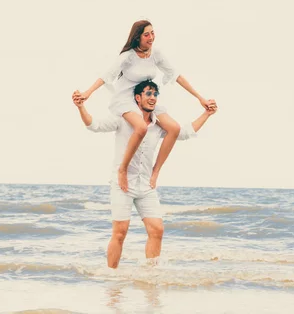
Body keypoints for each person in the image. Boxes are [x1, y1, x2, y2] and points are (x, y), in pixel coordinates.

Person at [72, 80, 217, 268]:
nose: (153, 98)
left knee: (157, 230)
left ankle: (150, 275)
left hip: (146, 185)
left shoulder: (159, 125)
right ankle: (112, 277)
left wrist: (207, 114)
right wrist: (81, 107)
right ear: (137, 98)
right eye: (148, 94)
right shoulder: (123, 119)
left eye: (155, 95)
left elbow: (184, 132)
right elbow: (94, 125)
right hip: (122, 183)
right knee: (120, 232)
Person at [75, 20, 210, 195]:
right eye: (147, 34)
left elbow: (176, 76)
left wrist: (200, 98)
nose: (151, 37)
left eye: (153, 33)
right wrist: (87, 93)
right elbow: (106, 75)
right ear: (137, 37)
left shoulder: (156, 54)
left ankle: (155, 172)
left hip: (146, 99)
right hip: (126, 100)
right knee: (140, 127)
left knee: (174, 128)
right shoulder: (128, 57)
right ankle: (122, 170)